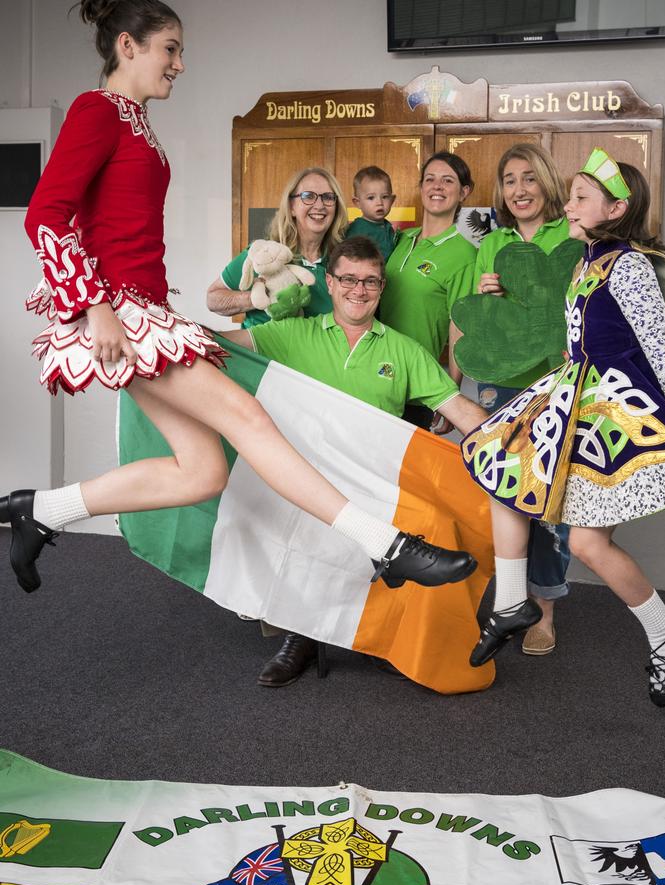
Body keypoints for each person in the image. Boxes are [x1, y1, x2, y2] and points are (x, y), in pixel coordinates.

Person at [0, 0, 477, 601]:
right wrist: (96, 306)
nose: (179, 63)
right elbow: (45, 214)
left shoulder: (133, 120)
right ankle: (388, 545)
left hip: (142, 310)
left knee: (202, 471)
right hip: (121, 314)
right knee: (250, 420)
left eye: (180, 51)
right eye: (169, 49)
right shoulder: (98, 111)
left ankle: (39, 509)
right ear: (127, 46)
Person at [461, 148, 665, 706]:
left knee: (586, 542)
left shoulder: (627, 265)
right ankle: (511, 600)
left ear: (615, 207)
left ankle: (664, 630)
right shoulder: (584, 263)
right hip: (573, 393)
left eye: (581, 197)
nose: (569, 204)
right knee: (505, 468)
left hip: (613, 408)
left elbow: (663, 351)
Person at [223, 235, 489, 686]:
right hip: (308, 477)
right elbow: (219, 342)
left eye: (369, 282)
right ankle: (300, 634)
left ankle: (386, 636)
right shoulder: (291, 333)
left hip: (375, 482)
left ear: (382, 288)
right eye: (348, 279)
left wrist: (512, 447)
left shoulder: (403, 351)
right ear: (330, 282)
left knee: (432, 523)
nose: (358, 290)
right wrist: (153, 330)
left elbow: (463, 412)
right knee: (295, 515)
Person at [463, 143, 575, 656]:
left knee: (550, 500)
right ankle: (508, 599)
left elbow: (575, 308)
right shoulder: (492, 242)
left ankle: (544, 611)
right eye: (509, 180)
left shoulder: (571, 232)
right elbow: (479, 319)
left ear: (546, 183)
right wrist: (488, 299)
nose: (519, 189)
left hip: (554, 381)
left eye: (529, 178)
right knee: (504, 493)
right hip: (500, 381)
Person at [378, 151, 477, 429]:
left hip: (413, 387)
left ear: (464, 192)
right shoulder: (400, 240)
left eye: (448, 181)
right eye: (430, 179)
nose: (437, 186)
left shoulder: (464, 254)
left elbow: (460, 328)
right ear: (421, 187)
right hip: (371, 374)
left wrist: (450, 397)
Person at [206, 166, 346, 328]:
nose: (319, 205)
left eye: (328, 197)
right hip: (262, 352)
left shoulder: (340, 262)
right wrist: (260, 298)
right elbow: (213, 298)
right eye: (308, 196)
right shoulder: (265, 254)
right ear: (292, 207)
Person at [346, 165, 398, 262]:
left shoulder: (388, 227)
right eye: (371, 198)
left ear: (392, 200)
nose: (379, 203)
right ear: (357, 203)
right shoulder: (357, 229)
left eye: (385, 197)